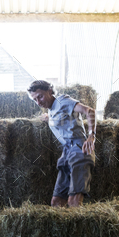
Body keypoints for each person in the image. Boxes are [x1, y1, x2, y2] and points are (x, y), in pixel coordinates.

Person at [27, 80, 96, 208]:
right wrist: (48, 118)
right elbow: (61, 117)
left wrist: (92, 135)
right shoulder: (52, 110)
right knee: (56, 202)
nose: (39, 102)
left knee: (73, 202)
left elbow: (89, 111)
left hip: (79, 150)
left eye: (40, 96)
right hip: (67, 152)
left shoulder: (62, 101)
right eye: (35, 99)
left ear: (50, 91)